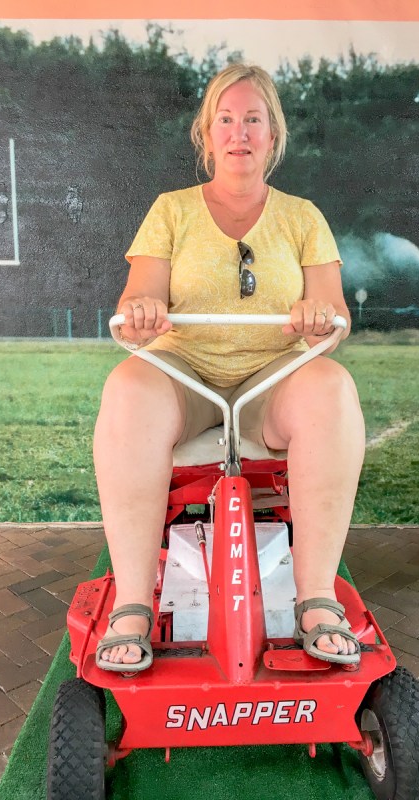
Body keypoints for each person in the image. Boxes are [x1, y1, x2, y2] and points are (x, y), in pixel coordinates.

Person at [93, 63, 365, 672]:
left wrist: (318, 316)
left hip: (272, 377)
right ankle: (133, 605)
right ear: (207, 133)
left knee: (332, 385)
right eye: (226, 119)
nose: (239, 132)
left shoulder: (302, 217)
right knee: (128, 384)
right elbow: (137, 300)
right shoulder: (171, 210)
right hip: (186, 373)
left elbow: (335, 316)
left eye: (253, 119)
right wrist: (142, 311)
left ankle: (317, 598)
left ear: (273, 134)